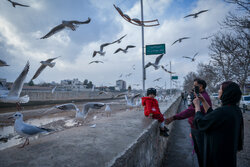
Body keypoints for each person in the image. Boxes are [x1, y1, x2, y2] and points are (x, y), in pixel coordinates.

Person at [193, 81, 244, 167]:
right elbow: (213, 117)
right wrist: (203, 100)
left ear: (227, 92)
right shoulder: (235, 110)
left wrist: (197, 106)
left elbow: (201, 123)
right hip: (228, 154)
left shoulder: (223, 111)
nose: (218, 91)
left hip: (217, 156)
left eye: (220, 89)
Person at [165, 78, 212, 167]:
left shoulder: (203, 98)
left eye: (195, 86)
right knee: (200, 152)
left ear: (200, 86)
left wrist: (174, 117)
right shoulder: (201, 96)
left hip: (199, 129)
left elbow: (191, 111)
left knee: (201, 153)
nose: (193, 87)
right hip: (196, 127)